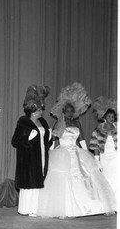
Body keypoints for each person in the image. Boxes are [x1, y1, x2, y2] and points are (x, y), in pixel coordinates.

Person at [35, 83, 116, 218]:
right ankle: (67, 209)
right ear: (63, 111)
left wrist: (89, 155)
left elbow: (82, 139)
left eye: (72, 111)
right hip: (63, 154)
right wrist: (49, 153)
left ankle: (89, 207)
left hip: (77, 153)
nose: (70, 113)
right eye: (67, 111)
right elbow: (53, 139)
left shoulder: (77, 122)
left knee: (86, 176)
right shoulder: (60, 123)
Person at [11, 85, 52, 216]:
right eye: (40, 109)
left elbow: (45, 140)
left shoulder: (43, 122)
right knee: (29, 184)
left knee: (38, 182)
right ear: (33, 110)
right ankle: (25, 209)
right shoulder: (23, 122)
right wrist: (28, 137)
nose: (42, 111)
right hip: (28, 158)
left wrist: (51, 138)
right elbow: (15, 141)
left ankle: (34, 209)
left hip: (41, 156)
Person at [89, 97, 117, 195]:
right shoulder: (98, 130)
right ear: (104, 117)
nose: (111, 118)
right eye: (109, 116)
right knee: (107, 177)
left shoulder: (118, 128)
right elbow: (95, 146)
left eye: (113, 116)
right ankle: (109, 200)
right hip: (104, 157)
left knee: (116, 177)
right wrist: (97, 160)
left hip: (116, 156)